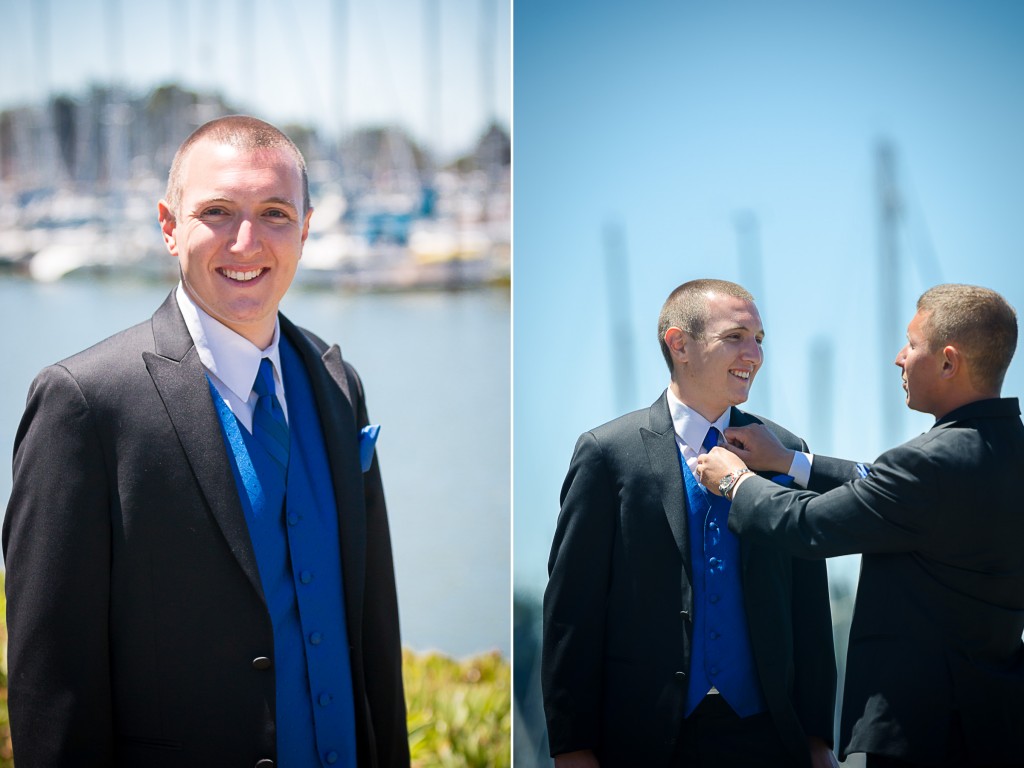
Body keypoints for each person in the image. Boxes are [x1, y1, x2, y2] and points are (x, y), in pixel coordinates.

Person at [3, 116, 409, 767]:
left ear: (305, 228)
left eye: (275, 213)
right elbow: (52, 689)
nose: (246, 241)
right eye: (218, 211)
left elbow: (375, 640)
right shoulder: (82, 405)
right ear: (169, 226)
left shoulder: (339, 386)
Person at [696, 283, 1024, 767]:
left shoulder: (928, 466)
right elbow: (880, 485)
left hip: (925, 734)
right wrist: (790, 460)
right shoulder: (1003, 450)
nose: (899, 358)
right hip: (998, 727)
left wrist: (736, 482)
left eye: (912, 345)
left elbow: (806, 526)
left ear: (949, 362)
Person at [542, 278, 838, 768]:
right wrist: (572, 749)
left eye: (759, 340)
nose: (754, 354)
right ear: (679, 343)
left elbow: (808, 609)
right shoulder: (608, 453)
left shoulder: (783, 449)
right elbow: (571, 612)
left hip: (768, 738)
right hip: (643, 739)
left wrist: (818, 740)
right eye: (736, 337)